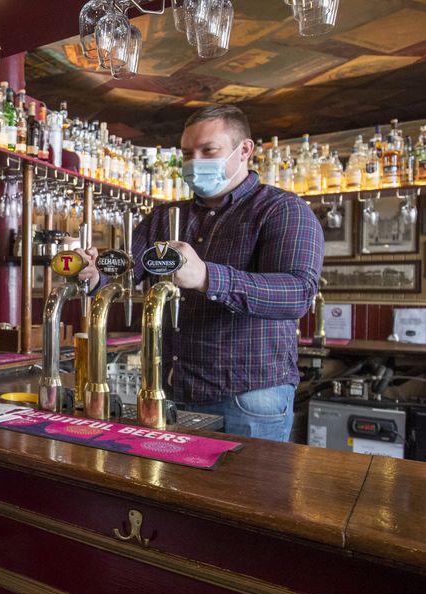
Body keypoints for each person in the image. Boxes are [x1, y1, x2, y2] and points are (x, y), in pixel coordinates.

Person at [79, 105, 323, 442]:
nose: (195, 162)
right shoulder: (164, 217)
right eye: (187, 153)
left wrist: (208, 276)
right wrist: (94, 275)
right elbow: (125, 274)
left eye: (209, 151)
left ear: (245, 150)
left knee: (245, 494)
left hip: (249, 396)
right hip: (172, 390)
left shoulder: (282, 210)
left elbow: (297, 294)